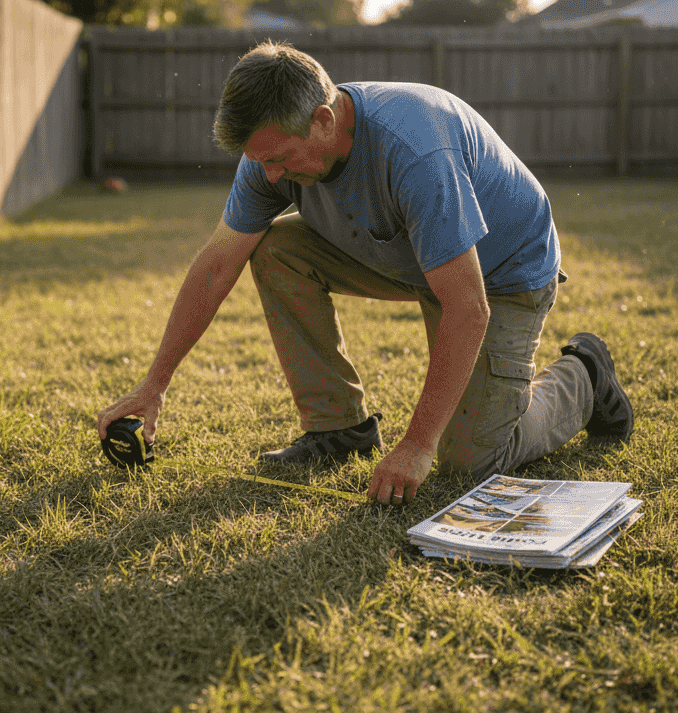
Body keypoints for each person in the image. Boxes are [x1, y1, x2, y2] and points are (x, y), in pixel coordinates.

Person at [96, 41, 632, 505]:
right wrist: (154, 385)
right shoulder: (271, 150)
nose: (269, 175)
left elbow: (467, 306)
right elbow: (217, 266)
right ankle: (339, 429)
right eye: (259, 161)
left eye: (280, 159)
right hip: (407, 257)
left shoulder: (417, 149)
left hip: (501, 271)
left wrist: (418, 446)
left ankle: (585, 375)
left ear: (324, 120)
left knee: (472, 459)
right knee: (275, 248)